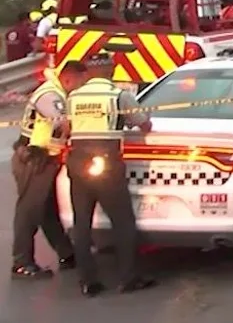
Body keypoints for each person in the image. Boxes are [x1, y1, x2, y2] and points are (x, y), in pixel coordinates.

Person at [65, 53, 156, 296]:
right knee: (123, 221)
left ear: (89, 72)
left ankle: (87, 281)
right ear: (110, 70)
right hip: (107, 161)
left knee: (81, 222)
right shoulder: (119, 95)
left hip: (77, 161)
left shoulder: (73, 96)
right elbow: (143, 124)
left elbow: (66, 128)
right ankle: (128, 278)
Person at [10, 66, 77, 279]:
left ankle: (67, 253)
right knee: (29, 212)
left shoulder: (57, 92)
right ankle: (21, 263)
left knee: (47, 211)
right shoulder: (50, 94)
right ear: (69, 79)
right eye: (80, 81)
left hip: (45, 159)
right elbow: (62, 123)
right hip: (35, 158)